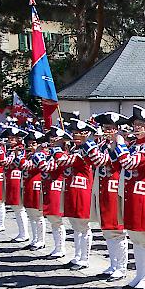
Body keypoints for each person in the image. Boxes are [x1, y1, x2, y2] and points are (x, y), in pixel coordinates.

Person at [112, 105, 145, 289]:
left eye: (141, 124)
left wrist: (121, 144)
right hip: (131, 194)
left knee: (144, 238)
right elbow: (114, 162)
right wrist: (114, 144)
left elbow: (129, 163)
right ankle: (139, 275)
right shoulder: (135, 145)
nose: (136, 127)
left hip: (143, 195)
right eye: (135, 124)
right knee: (134, 236)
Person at [83, 112, 130, 281]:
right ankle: (113, 264)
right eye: (105, 128)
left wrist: (88, 144)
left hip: (114, 188)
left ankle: (121, 267)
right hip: (103, 187)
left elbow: (100, 160)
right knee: (107, 229)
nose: (107, 131)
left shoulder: (121, 145)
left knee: (117, 230)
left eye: (110, 128)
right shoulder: (103, 144)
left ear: (117, 130)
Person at [60, 116, 95, 270]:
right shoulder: (75, 149)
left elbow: (64, 161)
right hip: (72, 188)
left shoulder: (86, 150)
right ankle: (77, 255)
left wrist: (56, 148)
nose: (75, 135)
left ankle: (84, 258)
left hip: (83, 190)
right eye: (74, 132)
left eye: (78, 133)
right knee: (75, 225)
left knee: (83, 226)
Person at [35, 125, 71, 259]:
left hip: (57, 187)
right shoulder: (51, 154)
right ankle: (57, 247)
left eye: (55, 138)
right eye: (51, 138)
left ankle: (60, 248)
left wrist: (38, 153)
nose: (52, 140)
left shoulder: (62, 155)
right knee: (52, 219)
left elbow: (46, 167)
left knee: (56, 220)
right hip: (48, 186)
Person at [17, 129, 46, 250]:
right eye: (29, 143)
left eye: (33, 143)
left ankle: (41, 240)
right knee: (31, 214)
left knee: (37, 215)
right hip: (28, 185)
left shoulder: (42, 155)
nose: (30, 146)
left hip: (37, 185)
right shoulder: (29, 155)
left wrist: (20, 157)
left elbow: (26, 166)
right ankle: (35, 239)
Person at [0, 124, 30, 242]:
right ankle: (22, 232)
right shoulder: (11, 150)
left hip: (18, 179)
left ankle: (24, 233)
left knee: (18, 207)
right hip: (11, 178)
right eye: (9, 138)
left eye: (13, 138)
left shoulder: (20, 149)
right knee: (15, 207)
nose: (10, 140)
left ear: (18, 139)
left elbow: (7, 163)